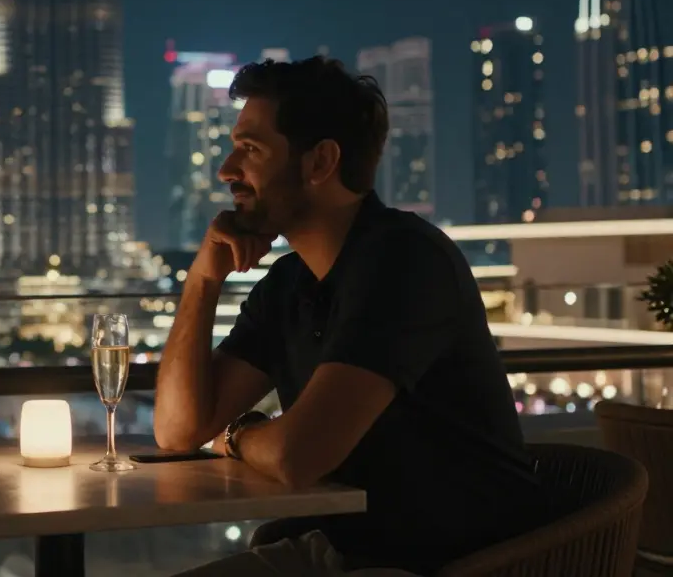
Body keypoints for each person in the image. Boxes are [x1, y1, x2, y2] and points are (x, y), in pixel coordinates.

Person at [153, 58, 546, 576]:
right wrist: (202, 283)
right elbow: (178, 431)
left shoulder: (404, 261)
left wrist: (237, 433)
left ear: (320, 163)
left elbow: (299, 456)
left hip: (455, 562)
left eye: (250, 150)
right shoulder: (291, 283)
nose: (226, 170)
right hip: (346, 550)